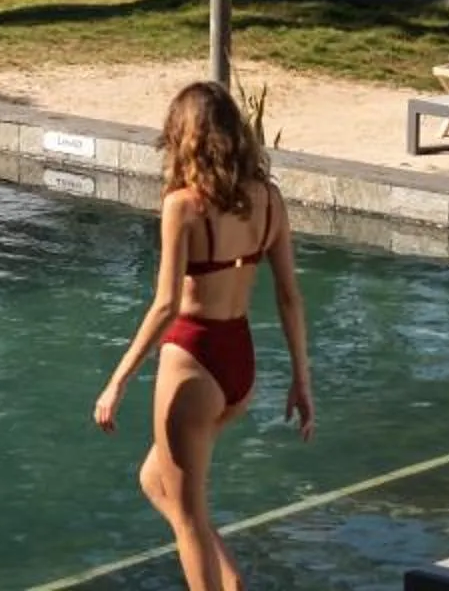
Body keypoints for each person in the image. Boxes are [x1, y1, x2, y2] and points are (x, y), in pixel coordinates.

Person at [94, 82, 313, 591]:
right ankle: (232, 583)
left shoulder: (183, 206)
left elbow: (167, 304)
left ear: (184, 139)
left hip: (193, 363)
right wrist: (302, 380)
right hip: (240, 364)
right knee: (156, 480)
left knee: (189, 517)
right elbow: (289, 296)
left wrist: (118, 380)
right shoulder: (269, 200)